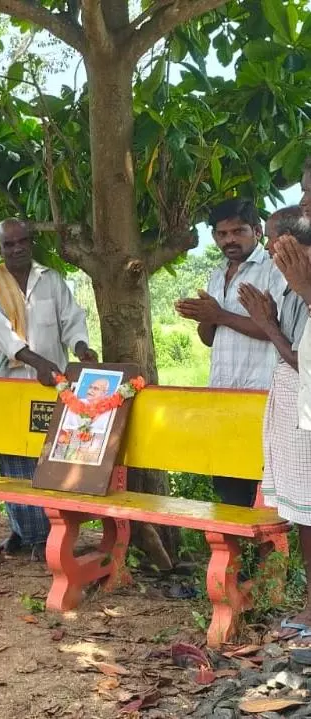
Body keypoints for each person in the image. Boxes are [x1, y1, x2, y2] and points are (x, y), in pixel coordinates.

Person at [0, 219, 97, 559]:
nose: (16, 249)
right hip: (9, 383)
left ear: (30, 241)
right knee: (14, 460)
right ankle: (26, 534)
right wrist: (38, 362)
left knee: (48, 455)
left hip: (50, 385)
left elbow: (72, 318)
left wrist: (81, 347)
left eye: (21, 242)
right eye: (8, 245)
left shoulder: (52, 280)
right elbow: (2, 334)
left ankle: (50, 536)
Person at [177, 198, 285, 507]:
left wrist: (220, 314)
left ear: (257, 230)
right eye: (222, 234)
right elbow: (211, 339)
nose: (230, 240)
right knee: (227, 485)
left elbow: (275, 332)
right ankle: (237, 553)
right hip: (222, 396)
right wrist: (202, 316)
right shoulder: (217, 273)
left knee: (261, 485)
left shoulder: (273, 270)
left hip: (261, 397)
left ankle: (267, 555)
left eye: (238, 231)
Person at [260, 186, 311, 636]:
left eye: (273, 241)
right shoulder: (293, 282)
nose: (268, 248)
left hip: (305, 405)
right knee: (305, 517)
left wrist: (268, 326)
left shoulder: (304, 278)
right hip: (297, 409)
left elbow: (300, 357)